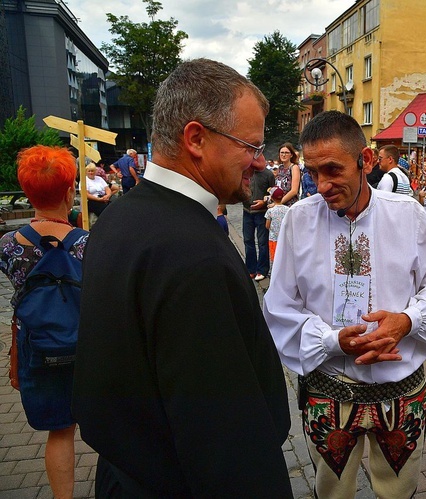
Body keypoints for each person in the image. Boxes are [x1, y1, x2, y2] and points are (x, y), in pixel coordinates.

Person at [72, 58, 292, 497]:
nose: (259, 161)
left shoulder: (118, 217)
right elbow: (225, 442)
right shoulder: (195, 254)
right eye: (250, 145)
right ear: (196, 138)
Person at [263, 110, 426, 499]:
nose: (321, 185)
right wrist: (334, 341)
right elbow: (280, 306)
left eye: (333, 170)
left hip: (400, 390)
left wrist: (407, 320)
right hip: (328, 387)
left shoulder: (407, 215)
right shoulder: (298, 221)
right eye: (313, 172)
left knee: (398, 490)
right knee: (331, 491)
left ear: (365, 161)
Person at [0, 145, 88, 499]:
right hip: (87, 343)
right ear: (70, 192)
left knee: (60, 431)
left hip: (38, 345)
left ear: (27, 192)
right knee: (107, 422)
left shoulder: (8, 244)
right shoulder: (89, 243)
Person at [243, 152, 275, 281]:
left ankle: (262, 269)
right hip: (247, 211)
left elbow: (272, 194)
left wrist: (264, 202)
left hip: (261, 213)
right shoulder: (244, 171)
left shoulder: (268, 174)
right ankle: (250, 269)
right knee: (248, 240)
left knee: (262, 243)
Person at [265, 186, 289, 263]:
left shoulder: (270, 211)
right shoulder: (288, 209)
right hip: (285, 238)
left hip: (273, 238)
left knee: (274, 259)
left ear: (271, 197)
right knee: (285, 258)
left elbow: (267, 226)